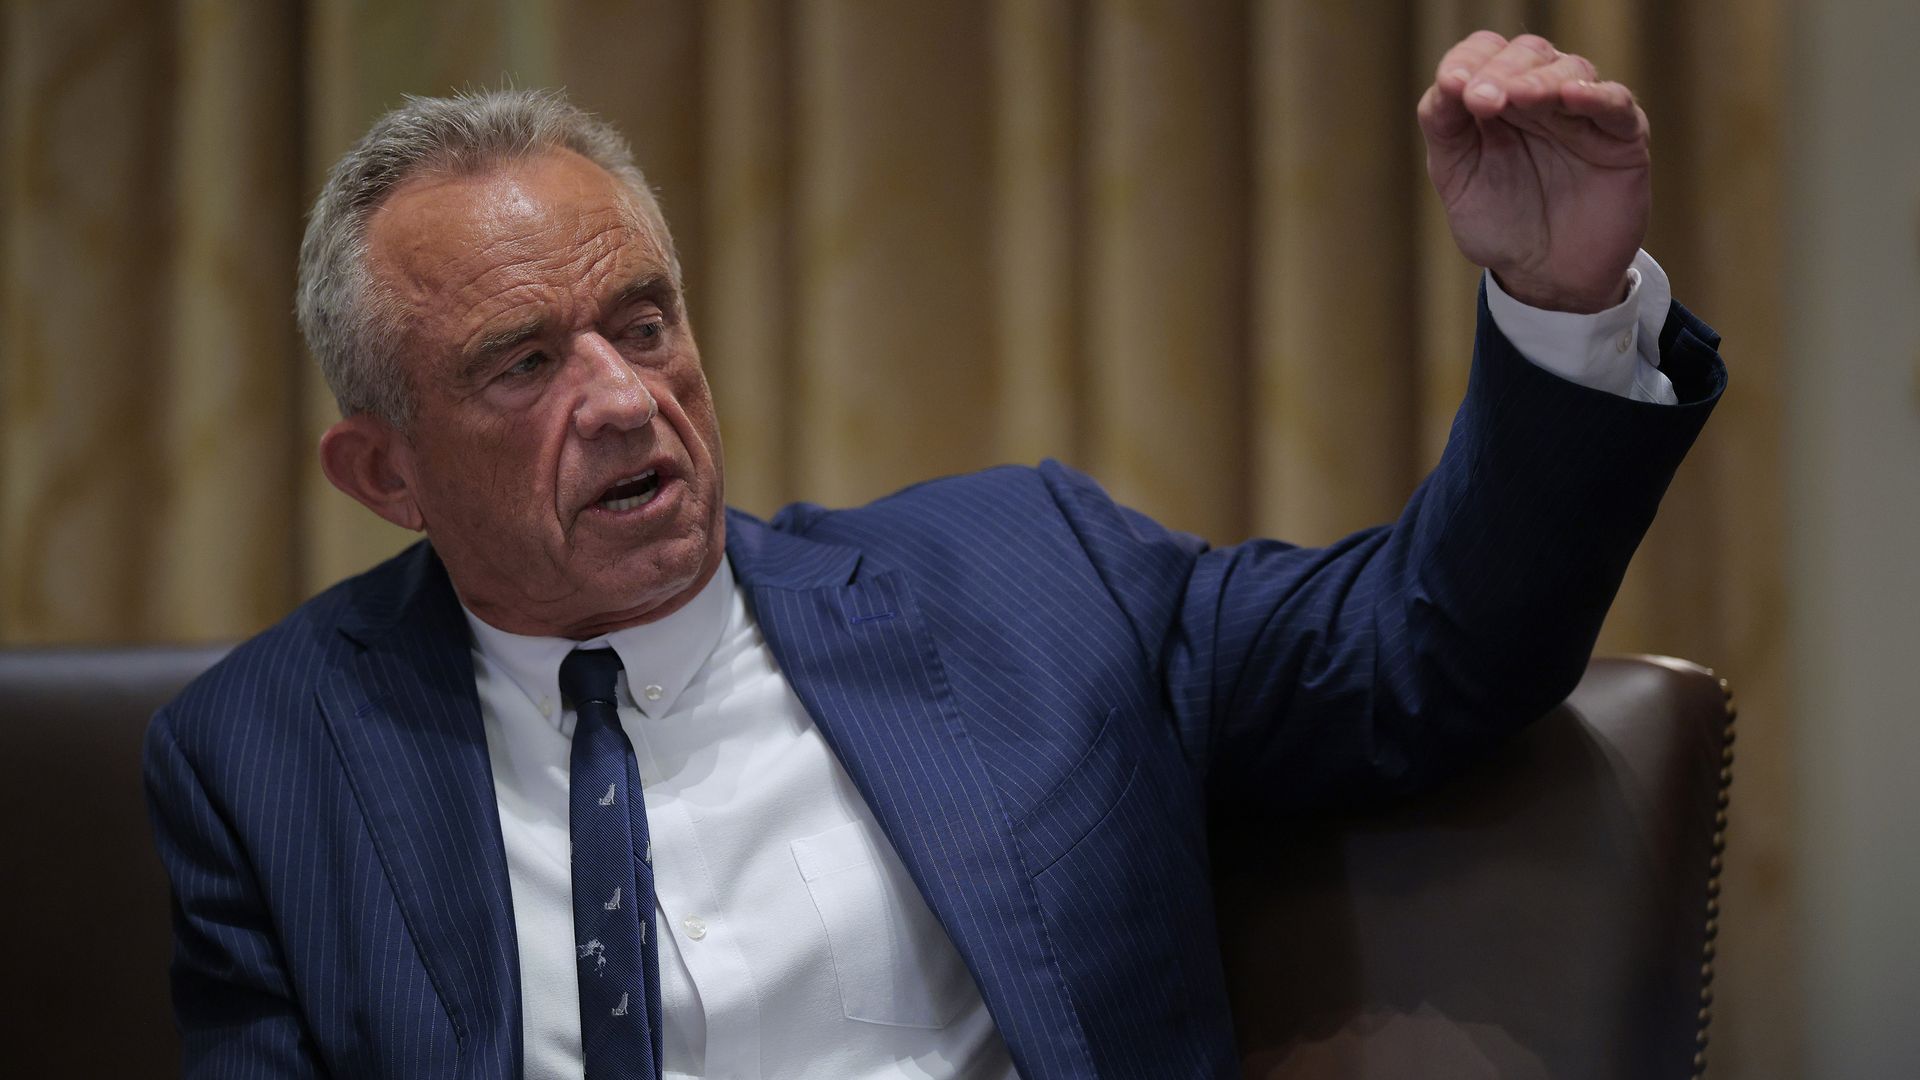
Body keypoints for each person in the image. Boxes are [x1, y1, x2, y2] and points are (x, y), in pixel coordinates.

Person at [144, 29, 1723, 1080]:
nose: (625, 400)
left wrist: (1562, 302)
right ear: (386, 474)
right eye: (524, 364)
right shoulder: (265, 758)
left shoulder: (1024, 583)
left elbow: (1430, 647)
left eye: (645, 324)